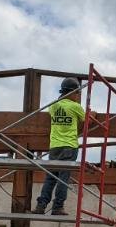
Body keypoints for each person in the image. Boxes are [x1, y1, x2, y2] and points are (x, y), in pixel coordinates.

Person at [34, 77, 95, 216]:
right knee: (63, 178)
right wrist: (93, 115)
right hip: (69, 147)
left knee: (50, 178)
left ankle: (41, 206)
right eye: (77, 93)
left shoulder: (53, 106)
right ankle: (58, 207)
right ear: (72, 93)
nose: (78, 96)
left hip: (54, 147)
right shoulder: (75, 107)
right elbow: (87, 122)